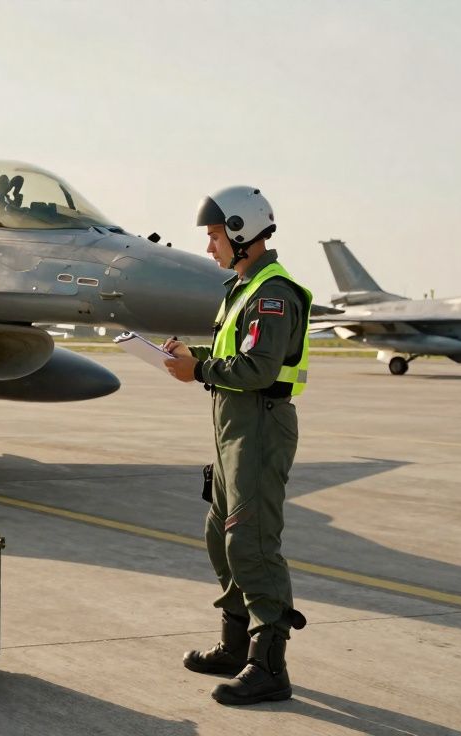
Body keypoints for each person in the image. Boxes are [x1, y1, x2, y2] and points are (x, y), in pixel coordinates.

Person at [161, 186, 311, 706]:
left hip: (260, 426)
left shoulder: (273, 294)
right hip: (233, 426)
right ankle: (234, 645)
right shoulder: (242, 289)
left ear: (241, 233)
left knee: (252, 541)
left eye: (214, 236)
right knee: (219, 535)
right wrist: (193, 354)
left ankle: (269, 666)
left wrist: (199, 369)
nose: (209, 247)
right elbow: (238, 350)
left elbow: (259, 368)